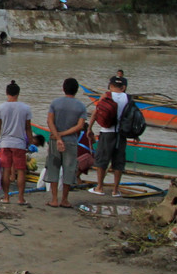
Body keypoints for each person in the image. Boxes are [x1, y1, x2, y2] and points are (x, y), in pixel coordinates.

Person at [44, 77, 87, 208]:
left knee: (53, 169)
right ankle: (65, 200)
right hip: (71, 142)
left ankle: (54, 199)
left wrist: (58, 137)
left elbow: (49, 121)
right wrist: (64, 134)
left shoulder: (55, 103)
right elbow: (80, 126)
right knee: (69, 170)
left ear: (63, 88)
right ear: (76, 90)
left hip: (54, 141)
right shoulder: (81, 106)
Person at [0, 80, 33, 205]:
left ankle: (6, 197)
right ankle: (21, 198)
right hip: (19, 143)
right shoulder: (26, 108)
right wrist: (29, 143)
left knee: (6, 170)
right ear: (18, 93)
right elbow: (28, 128)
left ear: (6, 93)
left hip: (5, 143)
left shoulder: (0, 108)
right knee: (21, 170)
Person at [91, 75, 129, 196]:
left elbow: (96, 112)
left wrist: (90, 128)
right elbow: (132, 118)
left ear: (110, 86)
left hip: (107, 132)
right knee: (118, 162)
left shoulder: (106, 96)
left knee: (102, 160)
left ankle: (100, 187)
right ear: (123, 87)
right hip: (121, 134)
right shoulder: (128, 98)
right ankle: (115, 190)